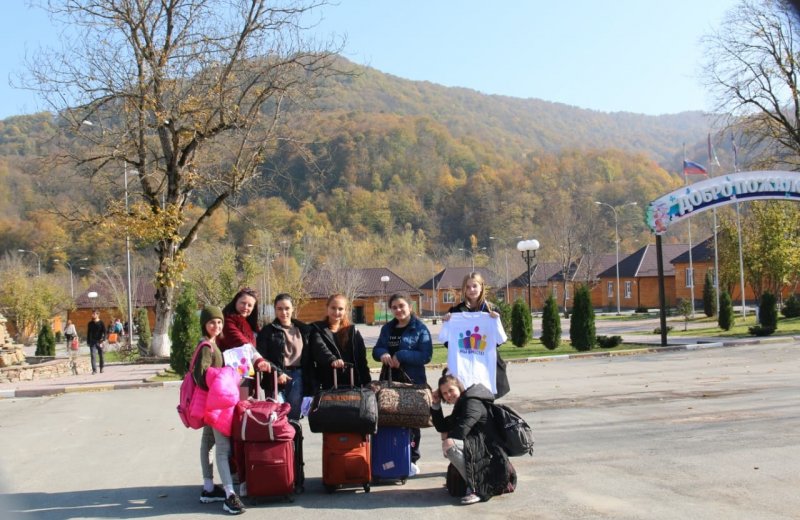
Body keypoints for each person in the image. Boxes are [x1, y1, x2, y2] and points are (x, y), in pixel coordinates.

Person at [194, 305, 272, 515]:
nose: (217, 325)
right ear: (204, 324)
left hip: (214, 403)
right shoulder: (206, 347)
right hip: (216, 403)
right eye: (212, 322)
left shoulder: (211, 344)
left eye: (219, 322)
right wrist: (222, 383)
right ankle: (229, 495)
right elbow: (200, 376)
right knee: (222, 448)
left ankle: (209, 488)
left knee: (208, 443)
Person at [431, 374, 515, 505]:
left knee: (449, 444)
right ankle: (472, 484)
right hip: (478, 449)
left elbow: (463, 428)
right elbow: (442, 426)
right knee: (449, 442)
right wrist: (436, 405)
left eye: (451, 390)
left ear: (459, 387)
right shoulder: (462, 404)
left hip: (489, 452)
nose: (448, 395)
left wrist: (449, 443)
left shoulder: (472, 402)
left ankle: (478, 489)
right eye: (444, 393)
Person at [372, 293, 433, 474]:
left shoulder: (420, 329)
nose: (398, 310)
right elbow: (377, 349)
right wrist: (382, 353)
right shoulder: (387, 329)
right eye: (394, 307)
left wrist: (402, 355)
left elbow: (426, 355)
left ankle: (412, 458)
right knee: (388, 418)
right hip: (390, 381)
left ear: (410, 307)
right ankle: (391, 455)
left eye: (401, 306)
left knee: (412, 419)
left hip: (412, 381)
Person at [444, 272, 510, 398]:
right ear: (464, 289)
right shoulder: (455, 312)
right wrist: (448, 323)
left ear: (481, 287)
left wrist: (495, 321)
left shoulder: (492, 310)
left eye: (474, 286)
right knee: (465, 403)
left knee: (486, 404)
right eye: (467, 287)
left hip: (486, 365)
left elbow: (499, 341)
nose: (471, 290)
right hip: (463, 365)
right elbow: (449, 343)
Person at [256, 293, 314, 420]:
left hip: (298, 377)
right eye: (279, 308)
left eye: (287, 308)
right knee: (277, 416)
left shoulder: (304, 330)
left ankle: (295, 440)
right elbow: (260, 356)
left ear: (293, 308)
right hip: (275, 378)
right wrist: (277, 372)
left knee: (294, 417)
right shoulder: (267, 331)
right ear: (275, 309)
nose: (284, 312)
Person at [309, 294, 371, 390]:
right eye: (333, 308)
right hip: (328, 382)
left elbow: (361, 359)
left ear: (346, 311)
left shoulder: (353, 331)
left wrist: (367, 382)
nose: (336, 312)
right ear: (327, 308)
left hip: (352, 383)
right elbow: (320, 348)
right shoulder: (318, 329)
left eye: (340, 309)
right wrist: (332, 359)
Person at [217, 287, 259, 352]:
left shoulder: (251, 324)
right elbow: (240, 342)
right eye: (243, 303)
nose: (245, 307)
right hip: (230, 360)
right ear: (236, 302)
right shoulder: (227, 320)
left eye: (249, 305)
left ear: (253, 308)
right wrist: (258, 359)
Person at [86, 310, 106, 374]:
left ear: (98, 315)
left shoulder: (101, 323)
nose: (93, 315)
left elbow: (105, 332)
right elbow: (88, 333)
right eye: (92, 314)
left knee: (101, 355)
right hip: (92, 342)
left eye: (94, 314)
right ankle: (94, 370)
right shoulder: (90, 323)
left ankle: (101, 367)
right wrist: (88, 341)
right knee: (93, 356)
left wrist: (103, 339)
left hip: (100, 341)